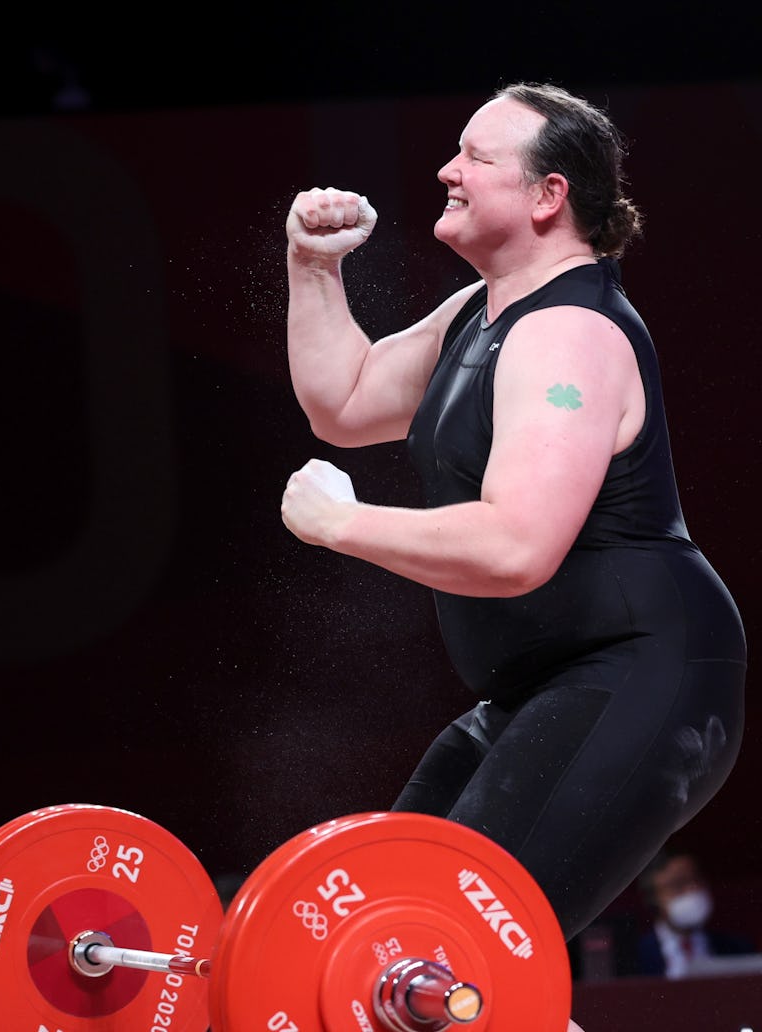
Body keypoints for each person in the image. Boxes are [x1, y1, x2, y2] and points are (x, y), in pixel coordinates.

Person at [280, 82, 746, 1031]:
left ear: (547, 197)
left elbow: (518, 546)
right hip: (543, 687)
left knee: (437, 959)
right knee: (379, 931)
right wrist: (311, 267)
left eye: (476, 158)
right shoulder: (479, 315)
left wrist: (346, 525)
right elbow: (346, 399)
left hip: (641, 675)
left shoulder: (569, 335)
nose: (447, 172)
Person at [636, 846, 756, 978]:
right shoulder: (634, 955)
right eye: (678, 884)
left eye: (696, 879)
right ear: (653, 897)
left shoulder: (737, 948)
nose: (693, 889)